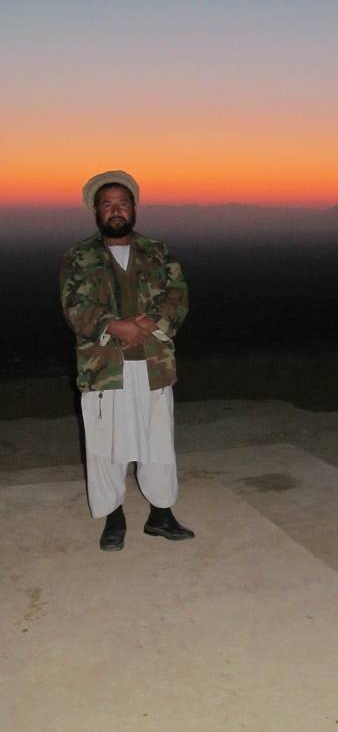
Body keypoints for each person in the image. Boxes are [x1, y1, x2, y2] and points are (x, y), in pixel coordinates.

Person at [60, 170, 194, 551]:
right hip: (103, 367)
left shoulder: (158, 252)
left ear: (134, 208)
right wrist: (115, 326)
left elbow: (177, 295)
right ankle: (113, 517)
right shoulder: (78, 256)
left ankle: (161, 515)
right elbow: (75, 306)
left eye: (122, 203)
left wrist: (147, 324)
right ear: (96, 211)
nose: (116, 210)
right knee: (106, 444)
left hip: (153, 363)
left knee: (158, 441)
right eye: (108, 204)